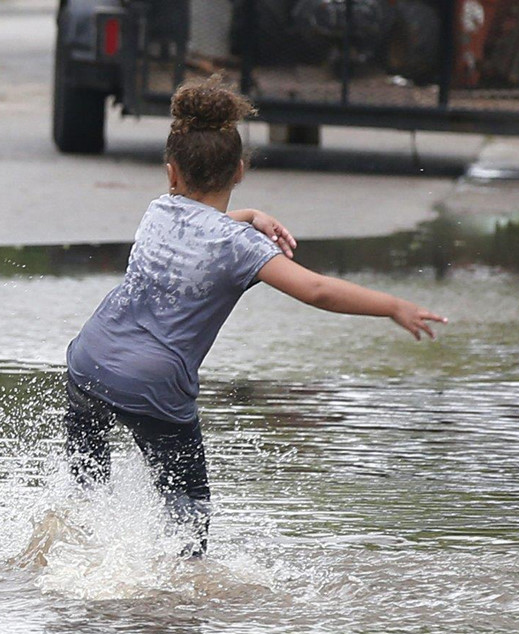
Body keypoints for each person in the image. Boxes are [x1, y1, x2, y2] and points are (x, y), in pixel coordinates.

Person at [64, 78, 446, 557]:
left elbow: (199, 222)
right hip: (152, 384)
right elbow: (318, 290)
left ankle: (72, 540)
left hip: (89, 360)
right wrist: (394, 305)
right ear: (239, 170)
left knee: (86, 483)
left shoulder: (158, 210)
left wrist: (248, 216)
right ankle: (170, 607)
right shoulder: (241, 247)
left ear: (171, 173)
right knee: (189, 517)